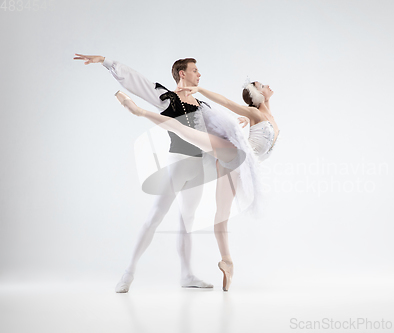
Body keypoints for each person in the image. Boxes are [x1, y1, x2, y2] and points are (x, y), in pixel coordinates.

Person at [115, 79, 279, 291]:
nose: (267, 85)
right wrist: (200, 89)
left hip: (239, 167)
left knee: (221, 215)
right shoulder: (255, 113)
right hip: (235, 153)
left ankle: (226, 261)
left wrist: (237, 125)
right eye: (262, 84)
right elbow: (227, 102)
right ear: (257, 94)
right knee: (189, 133)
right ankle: (139, 112)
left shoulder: (265, 116)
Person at [74, 53, 213, 292]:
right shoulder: (167, 97)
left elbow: (221, 131)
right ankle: (128, 273)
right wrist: (107, 62)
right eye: (195, 70)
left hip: (198, 168)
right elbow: (138, 82)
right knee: (155, 217)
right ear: (183, 73)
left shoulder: (203, 105)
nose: (199, 74)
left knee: (187, 222)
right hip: (178, 163)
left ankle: (187, 274)